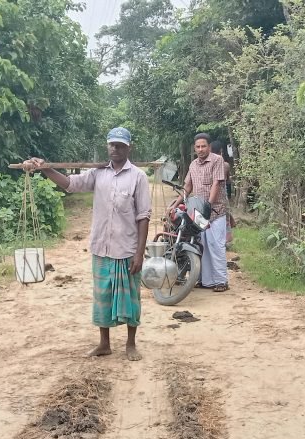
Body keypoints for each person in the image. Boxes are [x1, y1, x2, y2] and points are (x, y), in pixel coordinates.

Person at [23, 127, 151, 361]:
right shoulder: (98, 173)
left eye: (120, 145)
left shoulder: (138, 177)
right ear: (107, 146)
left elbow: (144, 216)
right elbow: (70, 184)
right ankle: (104, 343)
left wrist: (140, 254)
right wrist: (45, 168)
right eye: (111, 144)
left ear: (128, 147)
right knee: (102, 296)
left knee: (130, 297)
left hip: (127, 248)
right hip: (101, 247)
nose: (115, 149)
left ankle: (131, 344)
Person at [177, 133, 230, 292]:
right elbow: (187, 187)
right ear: (195, 148)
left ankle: (221, 281)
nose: (200, 149)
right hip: (198, 213)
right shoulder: (193, 164)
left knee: (216, 245)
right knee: (202, 246)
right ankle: (205, 281)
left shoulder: (217, 160)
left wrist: (209, 205)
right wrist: (175, 204)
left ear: (209, 147)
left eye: (203, 146)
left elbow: (216, 184)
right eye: (198, 147)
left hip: (215, 211)